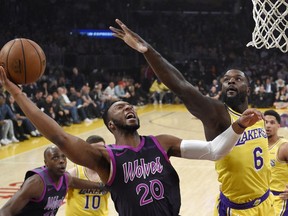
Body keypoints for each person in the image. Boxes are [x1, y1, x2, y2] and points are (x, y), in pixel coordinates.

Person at [0, 66, 263, 216]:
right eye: (120, 107)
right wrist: (17, 94)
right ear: (110, 124)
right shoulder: (106, 158)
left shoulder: (161, 143)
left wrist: (237, 126)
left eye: (130, 105)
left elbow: (214, 151)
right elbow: (58, 135)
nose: (129, 108)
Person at [109, 19, 274, 215]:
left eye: (237, 79)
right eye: (226, 80)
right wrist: (148, 51)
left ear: (248, 88)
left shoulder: (255, 117)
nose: (230, 81)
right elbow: (181, 86)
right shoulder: (217, 114)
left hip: (267, 201)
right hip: (239, 210)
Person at [0, 145, 106, 216]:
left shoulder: (65, 178)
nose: (61, 161)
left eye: (63, 157)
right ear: (46, 163)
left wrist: (102, 186)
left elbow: (75, 182)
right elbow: (6, 210)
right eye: (55, 158)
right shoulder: (36, 183)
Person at [66, 135, 110, 216]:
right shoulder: (74, 173)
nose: (99, 153)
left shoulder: (110, 173)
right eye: (96, 150)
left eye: (102, 149)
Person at [264, 110, 288, 215]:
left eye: (272, 123)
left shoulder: (284, 147)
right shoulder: (257, 146)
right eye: (265, 122)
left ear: (279, 125)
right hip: (262, 199)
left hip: (280, 198)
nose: (268, 126)